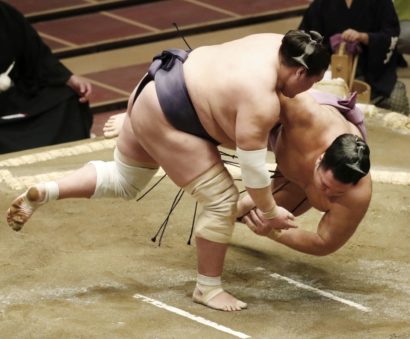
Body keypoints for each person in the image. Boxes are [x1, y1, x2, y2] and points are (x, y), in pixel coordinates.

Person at [6, 30, 330, 311]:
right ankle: (208, 288)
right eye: (312, 82)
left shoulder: (276, 43)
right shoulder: (261, 99)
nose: (307, 90)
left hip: (154, 83)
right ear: (301, 73)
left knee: (124, 180)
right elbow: (255, 173)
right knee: (221, 199)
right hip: (172, 117)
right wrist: (270, 210)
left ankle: (45, 191)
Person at [237, 89, 371, 256]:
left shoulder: (356, 195)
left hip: (297, 174)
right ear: (320, 159)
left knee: (255, 215)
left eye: (337, 193)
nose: (327, 195)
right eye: (325, 185)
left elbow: (324, 243)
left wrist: (273, 232)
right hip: (286, 133)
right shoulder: (305, 114)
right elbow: (265, 84)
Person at [0, 1, 93, 154]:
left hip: (14, 96)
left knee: (66, 97)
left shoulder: (4, 13)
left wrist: (67, 78)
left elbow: (36, 55)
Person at [299, 0, 409, 115]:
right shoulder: (321, 4)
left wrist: (364, 37)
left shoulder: (381, 2)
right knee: (310, 104)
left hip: (373, 73)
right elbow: (305, 39)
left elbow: (391, 34)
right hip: (330, 74)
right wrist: (329, 48)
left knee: (398, 102)